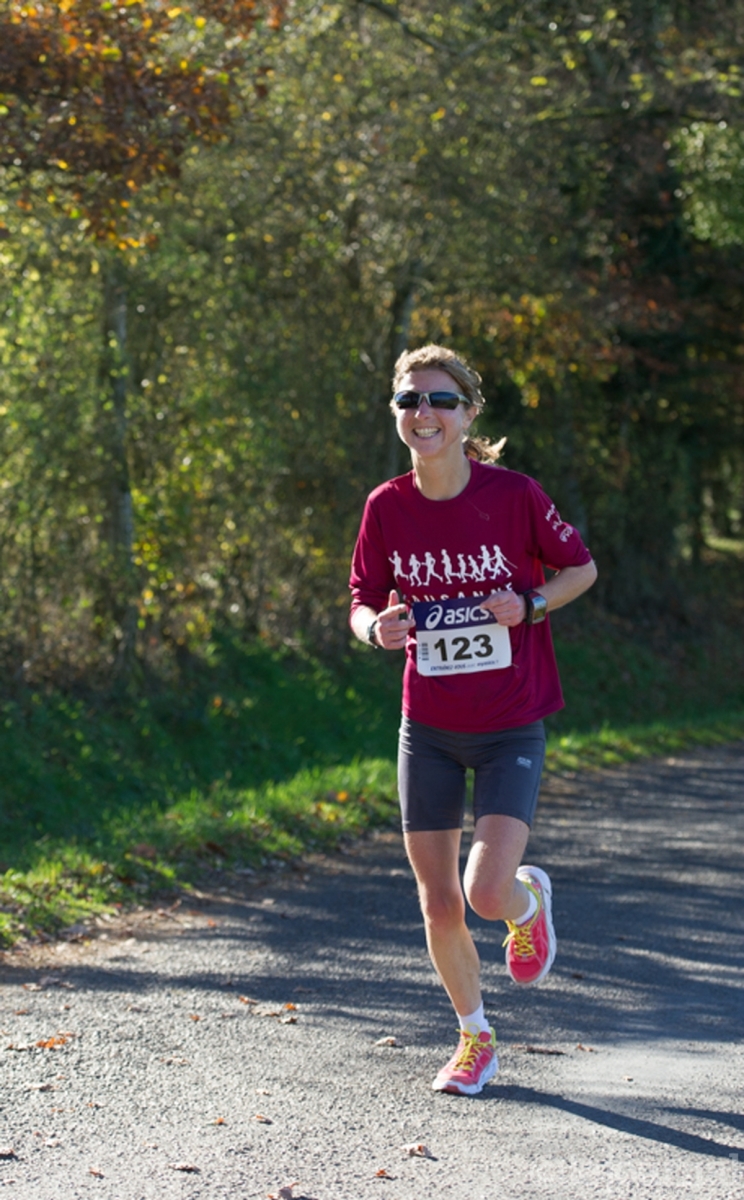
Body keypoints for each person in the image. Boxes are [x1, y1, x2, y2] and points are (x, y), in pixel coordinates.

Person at [349, 344, 597, 1096]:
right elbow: (361, 600)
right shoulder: (385, 506)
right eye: (409, 401)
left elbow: (579, 569)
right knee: (437, 900)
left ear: (468, 414)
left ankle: (530, 904)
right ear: (397, 414)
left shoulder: (514, 495)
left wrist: (528, 604)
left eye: (439, 401)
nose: (423, 413)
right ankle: (475, 1037)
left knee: (485, 892)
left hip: (509, 723)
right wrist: (374, 631)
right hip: (425, 726)